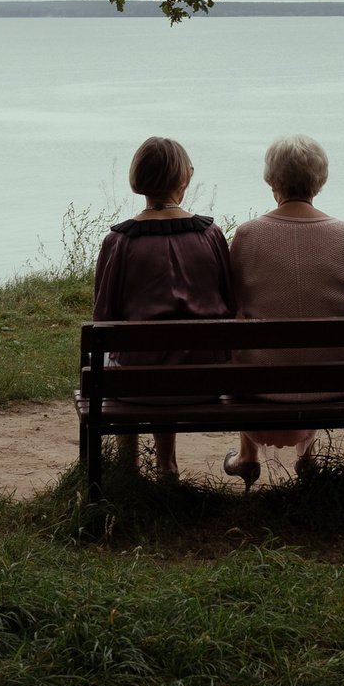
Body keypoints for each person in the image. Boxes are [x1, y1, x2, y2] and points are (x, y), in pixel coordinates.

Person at [90, 135, 236, 481]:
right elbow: (230, 304)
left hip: (140, 385)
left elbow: (103, 318)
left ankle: (131, 468)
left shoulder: (119, 242)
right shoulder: (211, 235)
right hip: (206, 380)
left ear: (138, 179)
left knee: (126, 355)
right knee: (170, 353)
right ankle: (166, 463)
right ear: (183, 179)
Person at [223, 134, 344, 484]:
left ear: (271, 181)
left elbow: (237, 304)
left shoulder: (248, 234)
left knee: (246, 330)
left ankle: (246, 455)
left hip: (261, 382)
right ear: (321, 180)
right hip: (333, 379)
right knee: (317, 323)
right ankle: (308, 455)